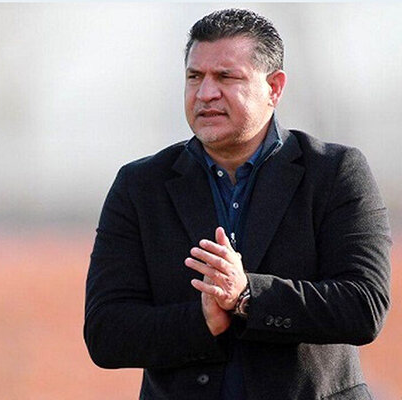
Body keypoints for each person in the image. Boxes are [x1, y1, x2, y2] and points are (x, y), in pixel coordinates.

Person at [83, 8, 391, 400]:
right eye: (195, 77)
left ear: (274, 88)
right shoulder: (140, 186)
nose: (205, 93)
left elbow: (363, 306)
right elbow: (106, 332)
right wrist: (201, 321)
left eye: (226, 77)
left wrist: (248, 296)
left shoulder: (334, 173)